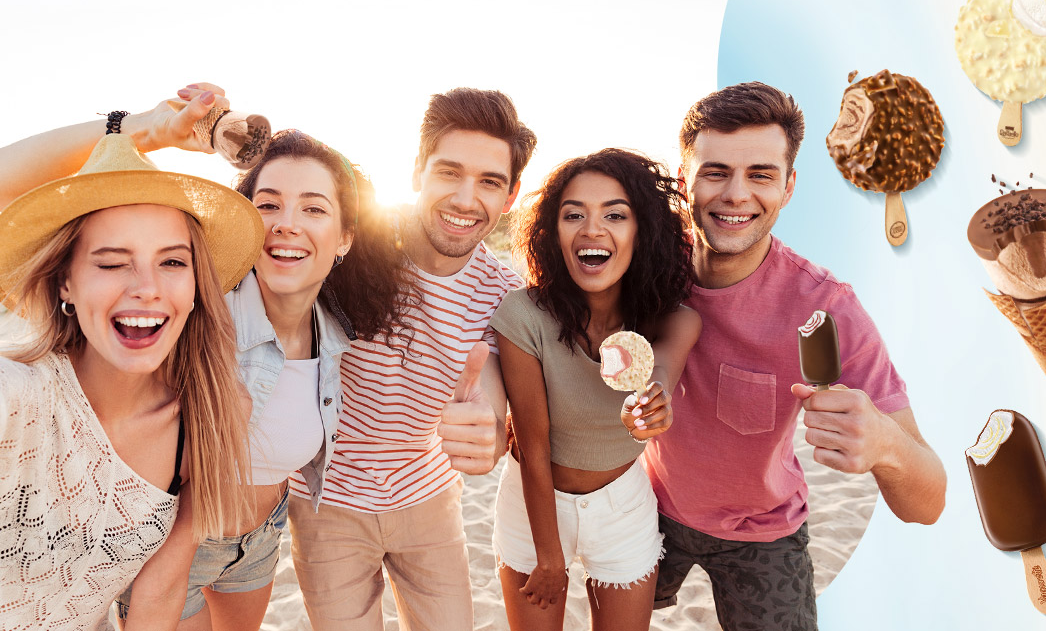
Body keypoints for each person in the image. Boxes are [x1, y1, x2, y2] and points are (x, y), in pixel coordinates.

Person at [643, 82, 947, 631]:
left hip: (763, 531)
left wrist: (885, 443)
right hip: (648, 509)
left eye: (761, 174)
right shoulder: (646, 264)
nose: (736, 194)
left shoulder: (826, 308)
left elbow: (927, 503)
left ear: (788, 187)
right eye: (715, 171)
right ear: (684, 177)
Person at [287, 87, 536, 631]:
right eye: (449, 172)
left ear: (511, 196)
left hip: (429, 495)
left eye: (490, 182)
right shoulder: (354, 242)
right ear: (418, 171)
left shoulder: (504, 294)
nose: (467, 199)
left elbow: (489, 398)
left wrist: (490, 432)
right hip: (325, 497)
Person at [0, 125, 260, 629]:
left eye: (171, 262)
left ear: (195, 285)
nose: (147, 288)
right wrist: (143, 127)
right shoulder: (18, 396)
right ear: (65, 285)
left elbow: (162, 588)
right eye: (113, 263)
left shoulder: (211, 413)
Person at [489, 149, 701, 631]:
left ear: (641, 230)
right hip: (533, 503)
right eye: (573, 215)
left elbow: (663, 367)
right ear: (553, 232)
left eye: (615, 215)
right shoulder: (524, 316)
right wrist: (549, 556)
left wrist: (654, 401)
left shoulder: (673, 317)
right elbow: (533, 442)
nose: (592, 229)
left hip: (622, 505)